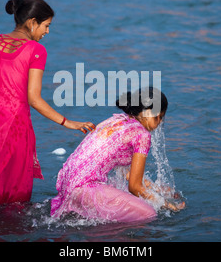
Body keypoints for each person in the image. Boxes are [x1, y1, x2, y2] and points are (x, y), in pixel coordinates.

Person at [0, 0, 95, 204]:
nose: (46, 31)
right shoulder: (36, 50)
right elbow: (33, 98)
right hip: (13, 125)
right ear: (33, 23)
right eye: (46, 26)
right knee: (14, 194)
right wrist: (67, 122)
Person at [50, 87, 185, 223]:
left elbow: (126, 173)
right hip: (83, 189)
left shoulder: (118, 121)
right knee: (148, 214)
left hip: (68, 183)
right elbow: (135, 187)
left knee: (123, 189)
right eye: (159, 117)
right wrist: (166, 204)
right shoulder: (142, 134)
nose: (161, 122)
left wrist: (156, 189)